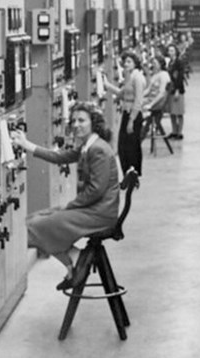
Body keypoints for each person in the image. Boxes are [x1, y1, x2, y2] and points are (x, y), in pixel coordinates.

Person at [11, 101, 120, 290]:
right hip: (93, 208)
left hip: (100, 213)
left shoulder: (98, 150)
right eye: (74, 121)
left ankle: (74, 262)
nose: (76, 125)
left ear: (93, 123)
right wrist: (27, 145)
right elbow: (61, 157)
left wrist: (71, 206)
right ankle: (73, 262)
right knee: (33, 220)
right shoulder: (89, 146)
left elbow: (96, 190)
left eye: (81, 120)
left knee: (39, 225)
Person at [104, 50, 146, 176]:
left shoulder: (137, 78)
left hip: (133, 115)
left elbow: (138, 100)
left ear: (135, 63)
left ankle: (133, 173)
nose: (126, 64)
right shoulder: (131, 77)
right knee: (124, 145)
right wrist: (106, 85)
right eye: (125, 62)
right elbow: (121, 93)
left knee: (130, 146)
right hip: (127, 113)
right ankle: (129, 173)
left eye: (129, 61)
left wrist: (131, 121)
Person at [142, 56, 171, 139]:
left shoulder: (164, 75)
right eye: (152, 63)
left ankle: (141, 131)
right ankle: (142, 130)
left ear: (160, 64)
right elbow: (148, 90)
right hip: (150, 99)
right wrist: (139, 96)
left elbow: (162, 93)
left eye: (155, 63)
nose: (153, 65)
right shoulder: (155, 74)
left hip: (157, 102)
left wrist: (151, 104)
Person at [166, 44, 187, 140]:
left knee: (179, 112)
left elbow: (180, 76)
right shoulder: (170, 62)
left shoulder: (178, 62)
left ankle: (179, 132)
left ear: (176, 51)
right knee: (173, 112)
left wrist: (178, 90)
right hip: (171, 89)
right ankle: (174, 131)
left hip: (178, 90)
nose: (170, 52)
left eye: (172, 51)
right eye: (169, 51)